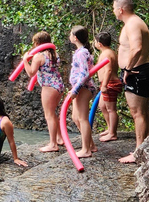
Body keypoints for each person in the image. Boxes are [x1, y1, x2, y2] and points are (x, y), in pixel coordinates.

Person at [113, 0, 149, 164]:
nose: (113, 12)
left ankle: (138, 151)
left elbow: (137, 48)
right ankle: (148, 145)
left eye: (114, 8)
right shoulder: (136, 22)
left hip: (137, 72)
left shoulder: (132, 24)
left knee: (138, 113)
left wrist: (128, 69)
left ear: (121, 9)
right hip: (141, 70)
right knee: (143, 112)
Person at [23, 31, 64, 152]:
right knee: (53, 113)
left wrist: (25, 61)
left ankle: (53, 144)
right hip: (59, 85)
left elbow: (31, 73)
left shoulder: (38, 56)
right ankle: (59, 138)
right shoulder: (54, 53)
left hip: (48, 87)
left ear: (37, 43)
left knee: (49, 115)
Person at [68, 25, 97, 158]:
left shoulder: (82, 53)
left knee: (82, 118)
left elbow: (84, 74)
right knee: (75, 117)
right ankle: (90, 144)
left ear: (75, 37)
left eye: (70, 34)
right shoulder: (80, 52)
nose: (69, 36)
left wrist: (75, 90)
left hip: (83, 88)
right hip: (79, 88)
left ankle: (86, 150)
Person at [94, 32, 121, 142]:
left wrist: (104, 85)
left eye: (95, 42)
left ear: (99, 44)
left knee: (111, 109)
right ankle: (110, 128)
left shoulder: (107, 54)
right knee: (102, 106)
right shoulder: (107, 52)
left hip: (110, 83)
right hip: (106, 83)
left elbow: (109, 70)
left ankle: (112, 133)